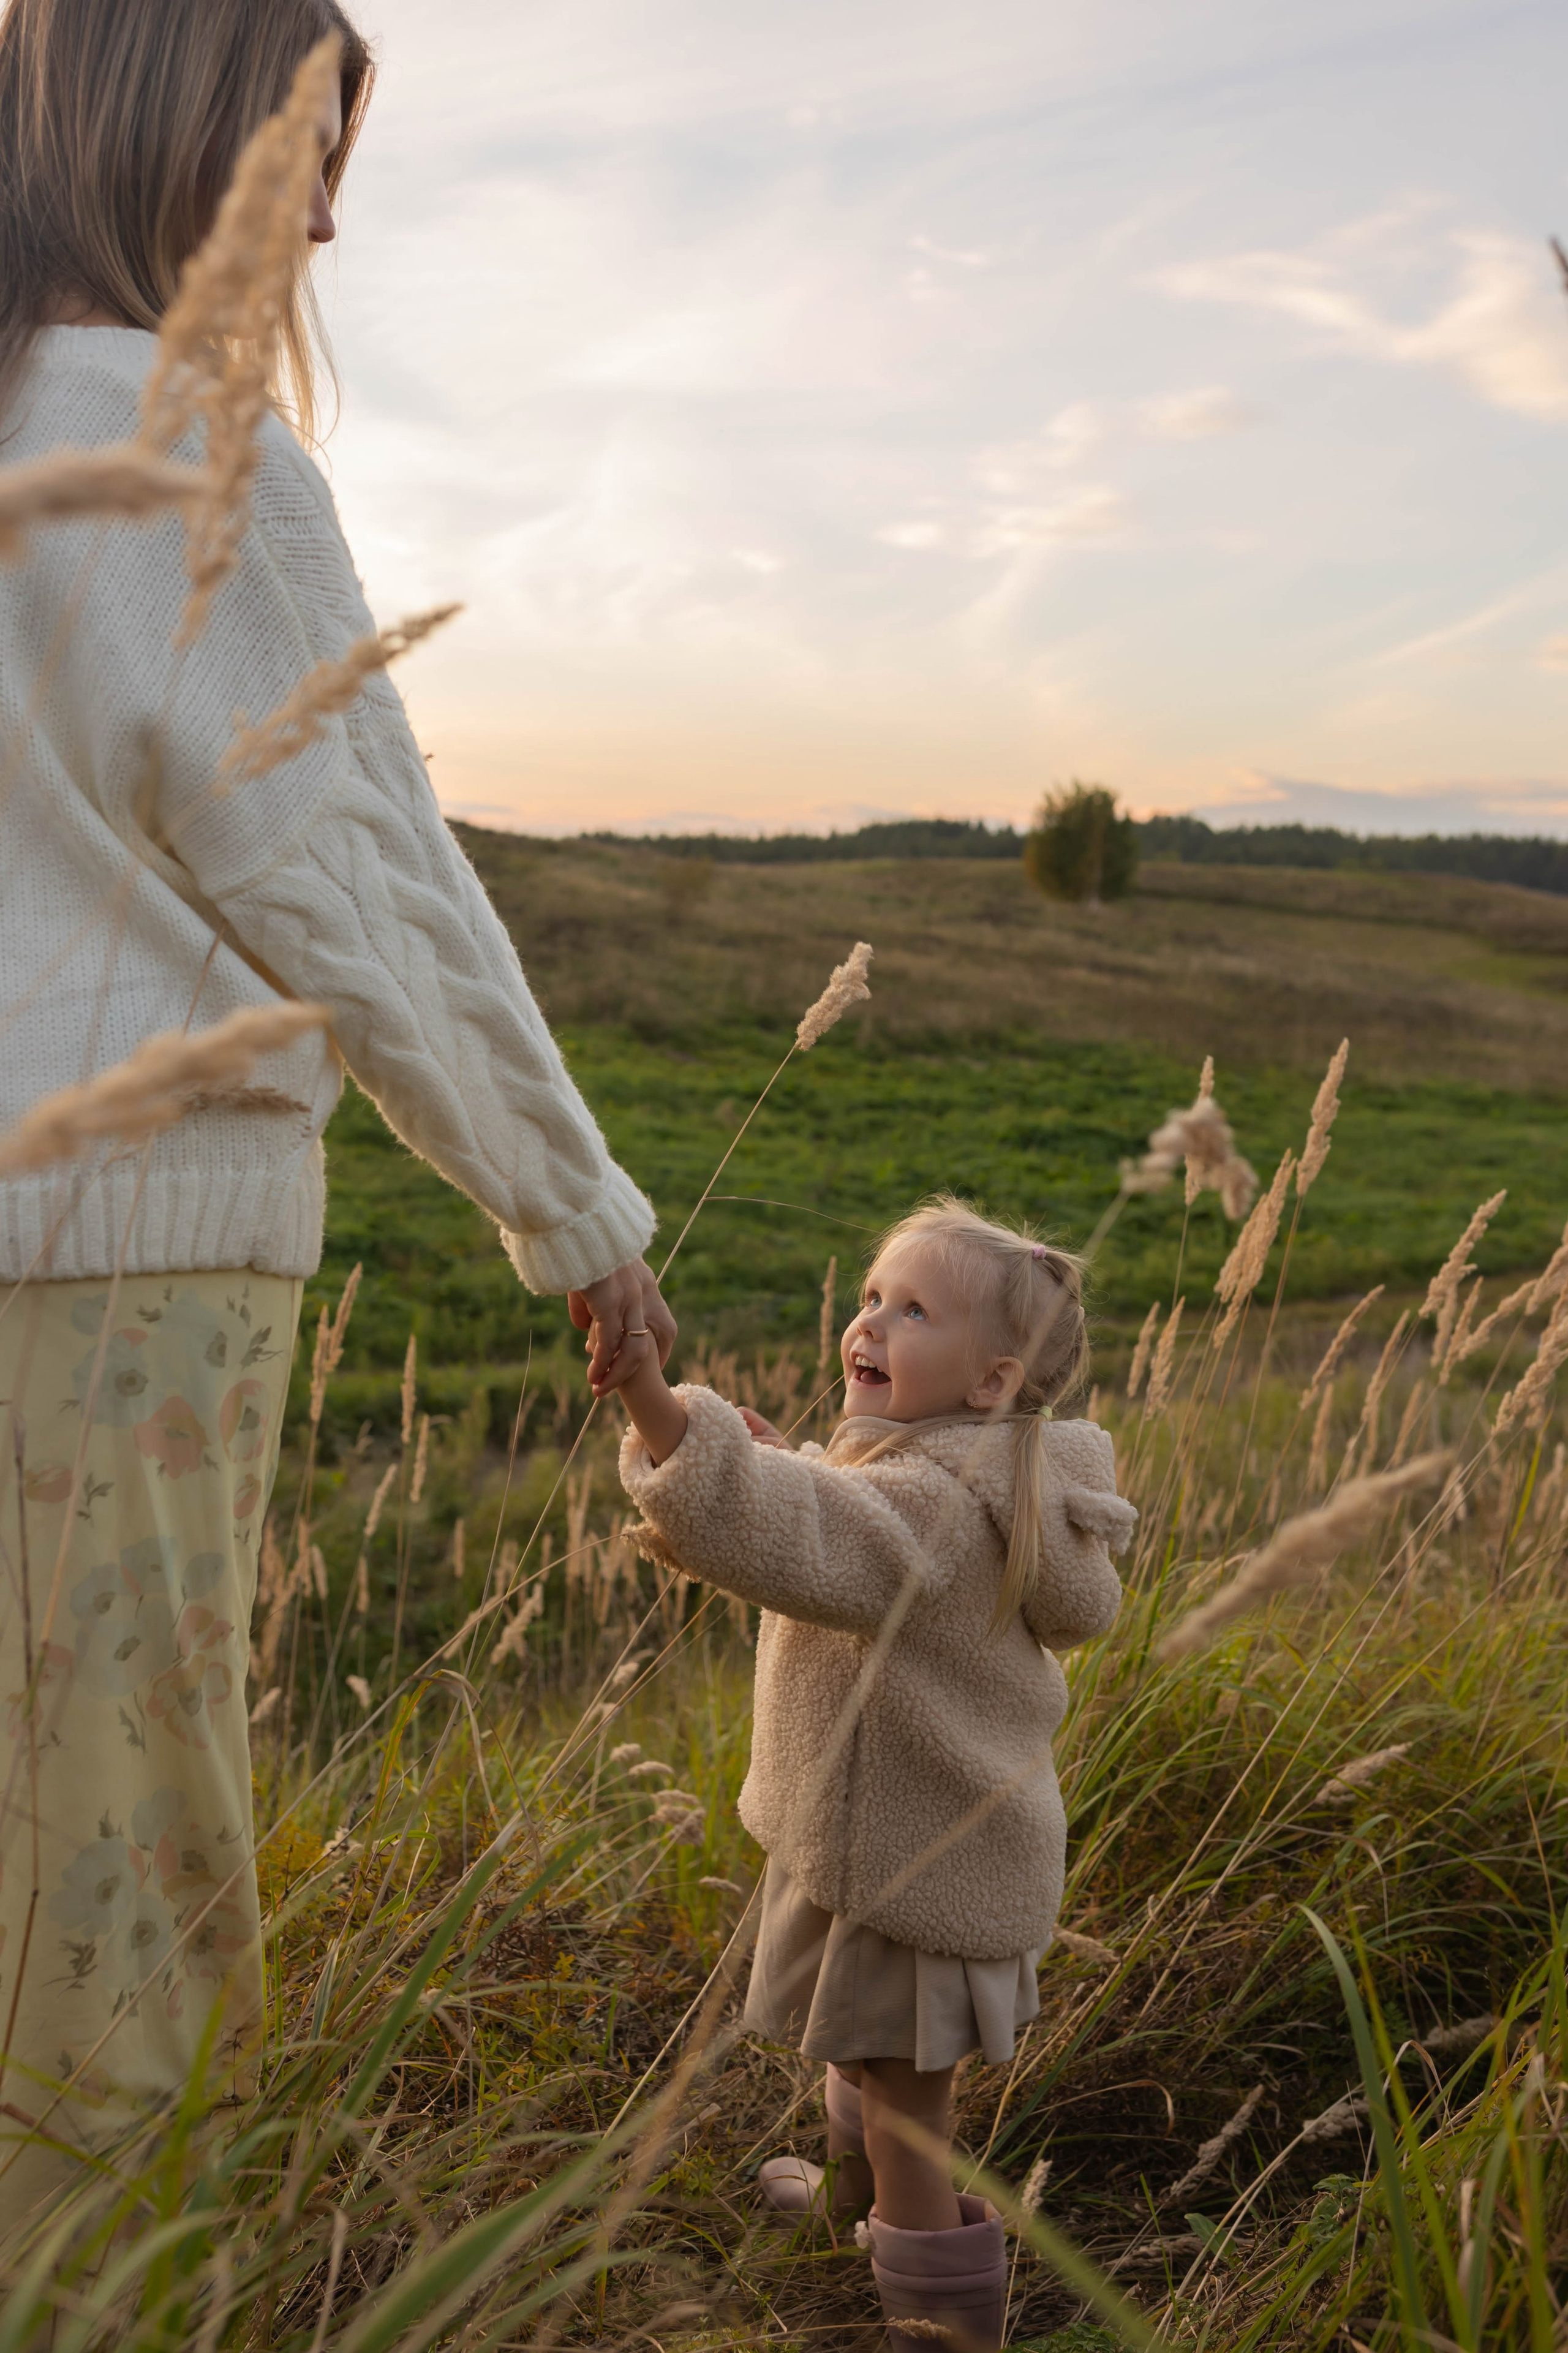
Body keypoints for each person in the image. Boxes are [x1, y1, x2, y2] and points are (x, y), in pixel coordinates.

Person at [0, 0, 674, 2211]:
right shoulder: (186, 449)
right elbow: (369, 885)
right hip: (126, 1269)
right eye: (305, 153)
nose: (325, 224)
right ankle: (119, 2303)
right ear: (178, 133)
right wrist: (574, 1213)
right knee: (118, 1868)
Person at [613, 1197, 1133, 2353]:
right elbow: (840, 1512)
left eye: (913, 1310)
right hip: (899, 1849)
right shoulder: (961, 1472)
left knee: (907, 2115)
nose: (871, 1322)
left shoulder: (935, 1505)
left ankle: (941, 2320)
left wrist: (654, 1396)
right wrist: (778, 1463)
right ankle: (858, 2203)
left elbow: (813, 1530)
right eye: (870, 1296)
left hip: (916, 1869)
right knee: (869, 2051)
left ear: (992, 1381)